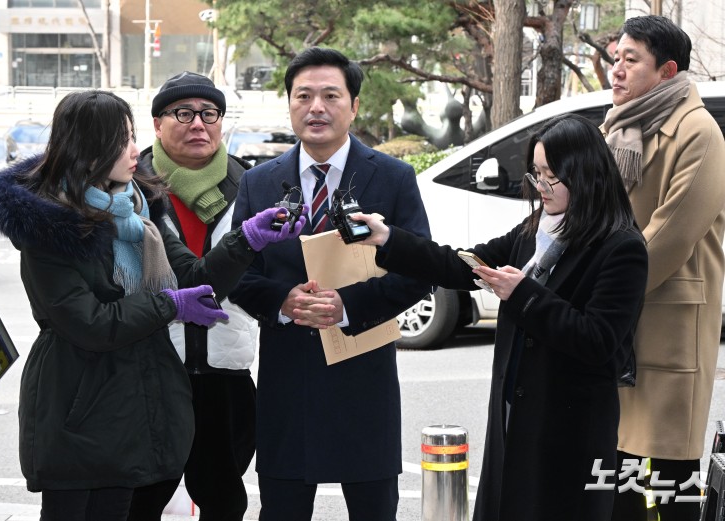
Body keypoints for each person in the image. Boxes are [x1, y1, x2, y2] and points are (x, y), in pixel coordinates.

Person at [0, 90, 304, 521]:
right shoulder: (49, 224)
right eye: (123, 140)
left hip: (132, 400)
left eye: (132, 137)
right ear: (89, 147)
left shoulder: (135, 206)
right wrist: (169, 306)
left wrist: (247, 239)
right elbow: (88, 323)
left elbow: (192, 278)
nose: (135, 151)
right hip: (77, 403)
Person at [353, 114, 649, 521]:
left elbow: (599, 341)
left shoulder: (622, 247)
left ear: (585, 174)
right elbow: (462, 266)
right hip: (516, 415)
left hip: (571, 431)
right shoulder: (535, 230)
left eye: (551, 176)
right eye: (536, 174)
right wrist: (388, 239)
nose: (540, 186)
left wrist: (523, 294)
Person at [228, 47, 431, 520]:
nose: (316, 107)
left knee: (373, 511)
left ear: (354, 105)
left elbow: (418, 269)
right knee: (281, 510)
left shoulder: (393, 178)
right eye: (304, 96)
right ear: (290, 104)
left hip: (363, 378)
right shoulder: (259, 183)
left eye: (330, 95)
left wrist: (346, 306)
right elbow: (237, 272)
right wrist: (284, 301)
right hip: (286, 381)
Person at [601, 16, 725, 521]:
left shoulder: (699, 131)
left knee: (669, 474)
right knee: (619, 472)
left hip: (668, 320)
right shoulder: (621, 126)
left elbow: (673, 232)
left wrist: (603, 291)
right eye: (616, 59)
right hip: (621, 320)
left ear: (667, 70)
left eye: (631, 61)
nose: (617, 72)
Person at [127, 72, 258, 521]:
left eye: (209, 113)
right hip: (152, 368)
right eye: (183, 113)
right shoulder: (131, 186)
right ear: (158, 124)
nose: (198, 123)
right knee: (140, 497)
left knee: (224, 497)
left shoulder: (251, 184)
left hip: (227, 368)